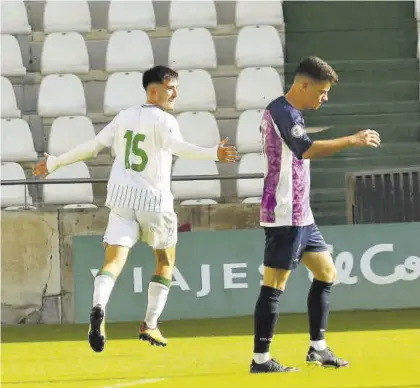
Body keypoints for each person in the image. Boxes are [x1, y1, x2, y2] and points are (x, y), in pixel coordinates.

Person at [33, 65, 239, 353]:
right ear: (153, 91)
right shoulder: (164, 120)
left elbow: (92, 147)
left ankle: (98, 308)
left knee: (113, 261)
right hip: (154, 202)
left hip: (120, 199)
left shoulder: (124, 116)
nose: (175, 92)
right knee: (165, 263)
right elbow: (180, 148)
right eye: (170, 88)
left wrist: (54, 163)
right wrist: (213, 153)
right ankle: (149, 324)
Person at [250, 56, 381, 373]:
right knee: (274, 285)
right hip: (285, 213)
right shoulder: (281, 111)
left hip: (301, 213)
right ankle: (261, 360)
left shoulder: (290, 112)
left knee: (326, 273)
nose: (324, 98)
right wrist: (352, 139)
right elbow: (305, 149)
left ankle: (318, 349)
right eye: (321, 92)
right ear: (303, 85)